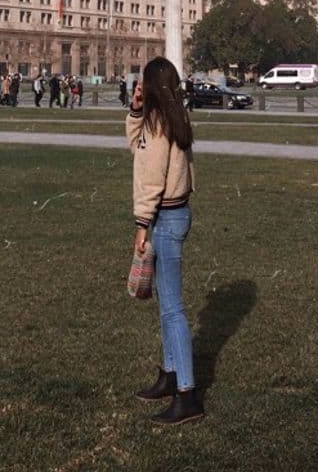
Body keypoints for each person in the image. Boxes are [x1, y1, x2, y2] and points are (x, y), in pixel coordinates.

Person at [126, 56, 203, 426]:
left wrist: (142, 225)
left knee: (173, 309)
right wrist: (135, 111)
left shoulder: (160, 126)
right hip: (175, 214)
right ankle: (171, 374)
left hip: (165, 218)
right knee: (166, 305)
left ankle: (187, 394)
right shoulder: (170, 119)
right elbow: (135, 148)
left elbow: (151, 177)